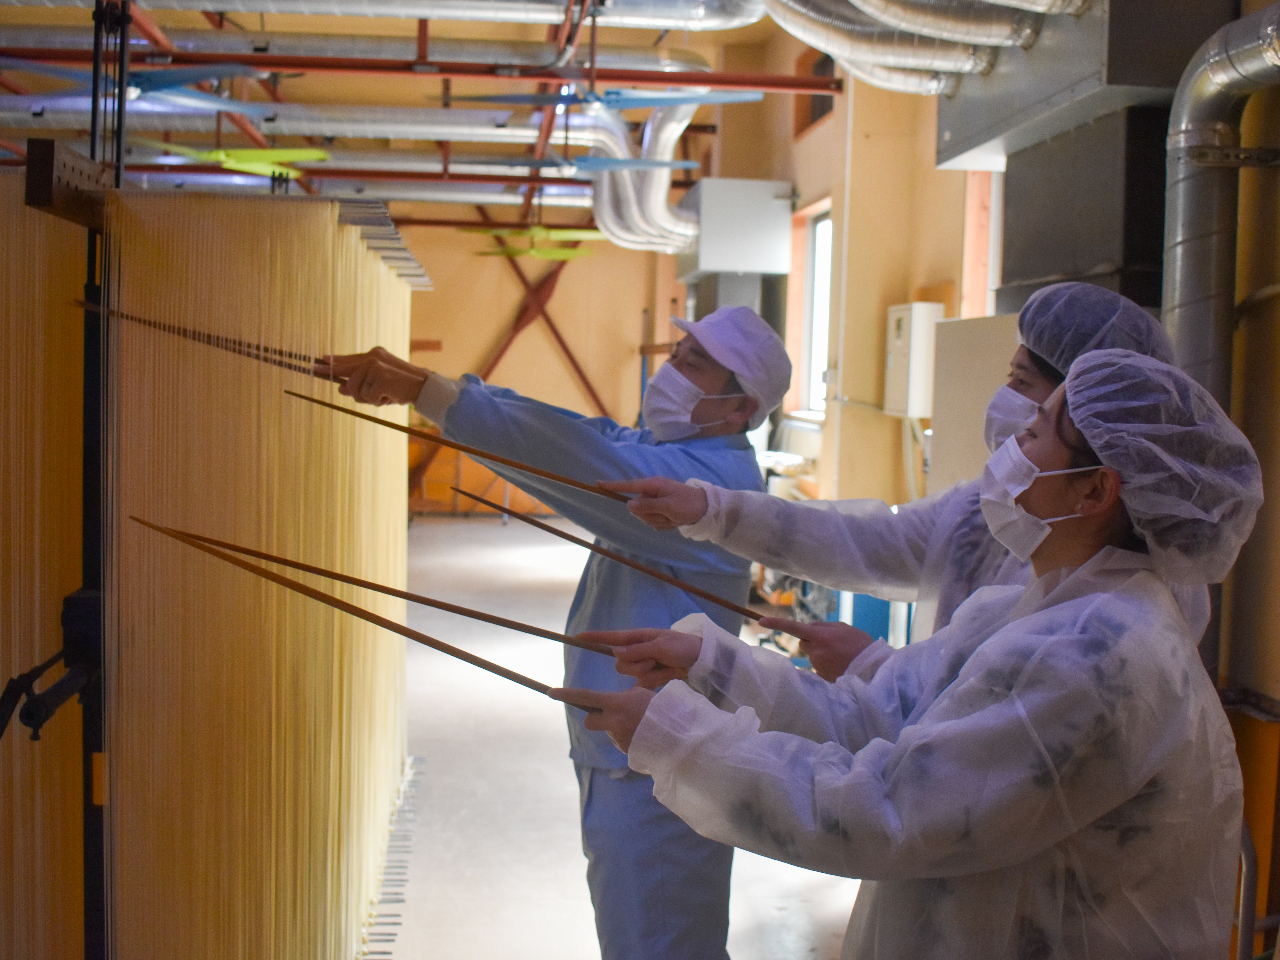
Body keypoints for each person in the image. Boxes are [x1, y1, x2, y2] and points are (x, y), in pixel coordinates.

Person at [558, 349, 1263, 959]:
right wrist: (713, 665)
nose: (1012, 444)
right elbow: (880, 715)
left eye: (1037, 431)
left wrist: (681, 742)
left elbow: (890, 811)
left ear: (1095, 489)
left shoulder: (1096, 657)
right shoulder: (1030, 608)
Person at [316, 306, 791, 960]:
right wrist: (433, 388)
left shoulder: (711, 490)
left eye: (693, 363)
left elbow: (582, 458)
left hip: (659, 758)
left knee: (659, 943)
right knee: (641, 935)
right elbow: (584, 433)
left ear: (739, 406)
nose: (671, 369)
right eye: (678, 352)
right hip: (632, 747)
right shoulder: (680, 454)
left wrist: (428, 393)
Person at [607, 282, 1203, 682]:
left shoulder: (1112, 609)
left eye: (1027, 392)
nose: (1009, 412)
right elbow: (869, 543)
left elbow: (965, 750)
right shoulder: (988, 510)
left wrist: (872, 667)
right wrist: (710, 509)